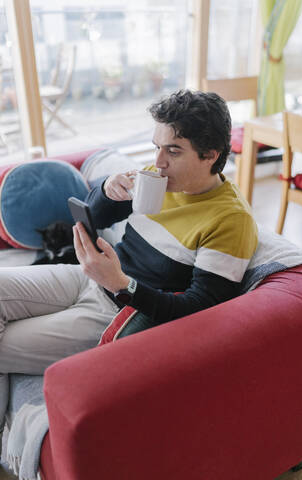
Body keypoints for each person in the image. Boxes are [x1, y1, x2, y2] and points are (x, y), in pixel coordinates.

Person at [0, 90, 258, 447]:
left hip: (116, 311)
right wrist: (107, 191)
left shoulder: (230, 221)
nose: (158, 161)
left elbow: (200, 312)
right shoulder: (157, 178)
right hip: (87, 278)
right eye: (157, 146)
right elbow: (97, 216)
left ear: (210, 155)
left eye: (173, 150)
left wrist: (122, 285)